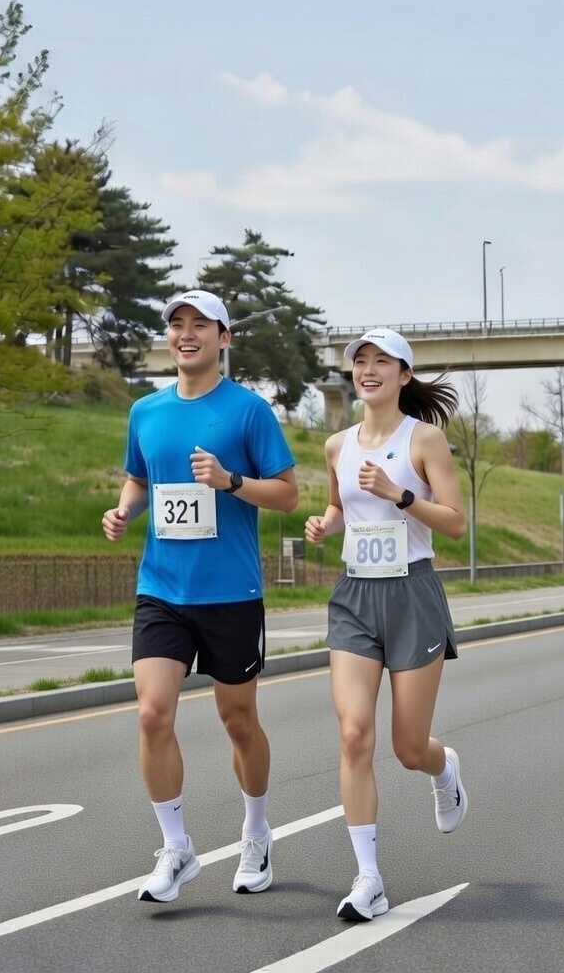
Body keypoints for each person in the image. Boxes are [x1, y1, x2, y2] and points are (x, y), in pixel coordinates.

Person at [102, 289, 298, 904]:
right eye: (177, 324)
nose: (186, 334)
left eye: (200, 325)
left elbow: (288, 493)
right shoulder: (146, 411)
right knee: (152, 713)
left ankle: (256, 832)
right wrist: (125, 510)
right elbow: (139, 478)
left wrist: (230, 481)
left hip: (231, 592)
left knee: (238, 720)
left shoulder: (249, 412)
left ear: (223, 338)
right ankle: (176, 847)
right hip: (161, 588)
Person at [304, 327, 468, 922]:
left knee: (407, 747)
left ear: (404, 374)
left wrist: (401, 496)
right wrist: (325, 524)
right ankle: (368, 878)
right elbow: (340, 505)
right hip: (355, 596)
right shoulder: (336, 445)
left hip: (412, 594)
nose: (368, 369)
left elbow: (455, 523)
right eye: (360, 361)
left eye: (382, 361)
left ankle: (443, 768)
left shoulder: (423, 438)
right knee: (354, 735)